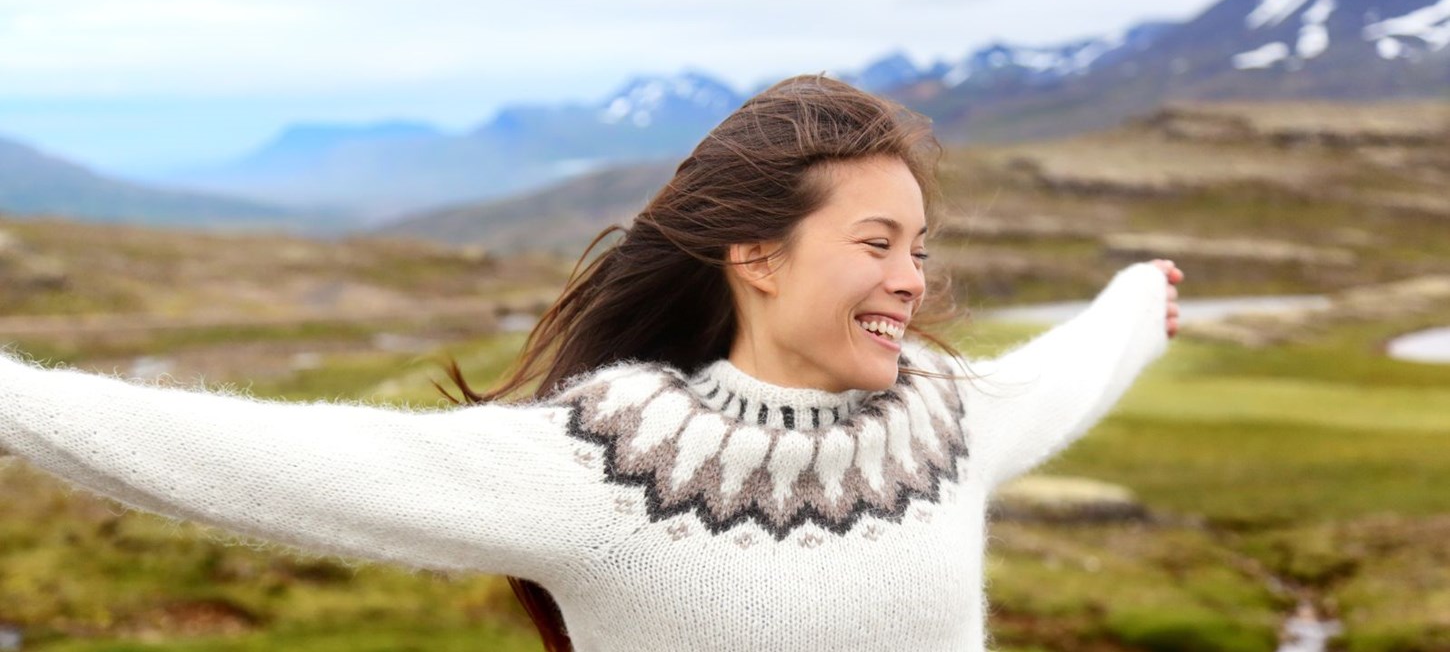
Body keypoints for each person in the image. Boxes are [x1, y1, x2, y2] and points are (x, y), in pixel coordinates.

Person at [0, 74, 1184, 652]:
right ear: (757, 258)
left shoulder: (945, 422)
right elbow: (267, 458)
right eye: (874, 243)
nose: (911, 280)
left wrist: (1134, 303)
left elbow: (1065, 370)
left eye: (918, 248)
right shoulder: (610, 460)